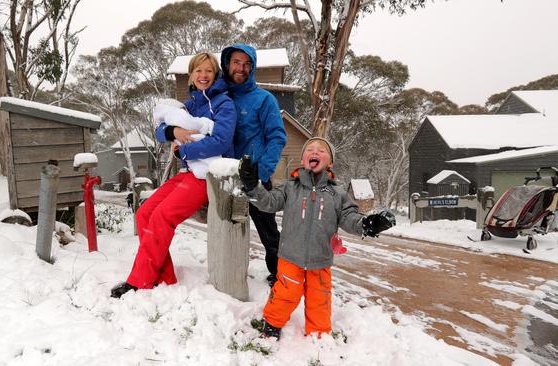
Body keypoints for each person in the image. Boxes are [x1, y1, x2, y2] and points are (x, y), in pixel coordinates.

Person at [238, 137, 396, 339]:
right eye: (309, 150)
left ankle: (319, 336)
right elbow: (268, 202)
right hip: (290, 257)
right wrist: (253, 186)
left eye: (321, 150)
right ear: (303, 160)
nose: (314, 152)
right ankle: (272, 325)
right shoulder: (289, 187)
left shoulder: (337, 194)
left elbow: (349, 218)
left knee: (319, 298)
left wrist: (366, 224)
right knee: (285, 294)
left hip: (320, 259)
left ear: (330, 162)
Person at [111, 52, 236, 298]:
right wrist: (174, 130)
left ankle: (140, 280)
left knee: (162, 217)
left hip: (207, 176)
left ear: (216, 74)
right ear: (191, 75)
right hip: (187, 172)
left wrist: (183, 150)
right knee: (145, 213)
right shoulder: (189, 105)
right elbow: (159, 130)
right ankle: (163, 276)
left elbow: (221, 142)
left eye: (208, 71)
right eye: (198, 71)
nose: (203, 75)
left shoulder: (224, 104)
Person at [221, 44, 287, 287]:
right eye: (237, 62)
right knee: (228, 225)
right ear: (227, 64)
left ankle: (279, 274)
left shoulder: (264, 99)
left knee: (268, 231)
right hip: (226, 177)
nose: (242, 68)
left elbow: (277, 137)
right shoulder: (219, 98)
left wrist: (262, 172)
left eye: (247, 64)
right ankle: (228, 269)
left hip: (256, 177)